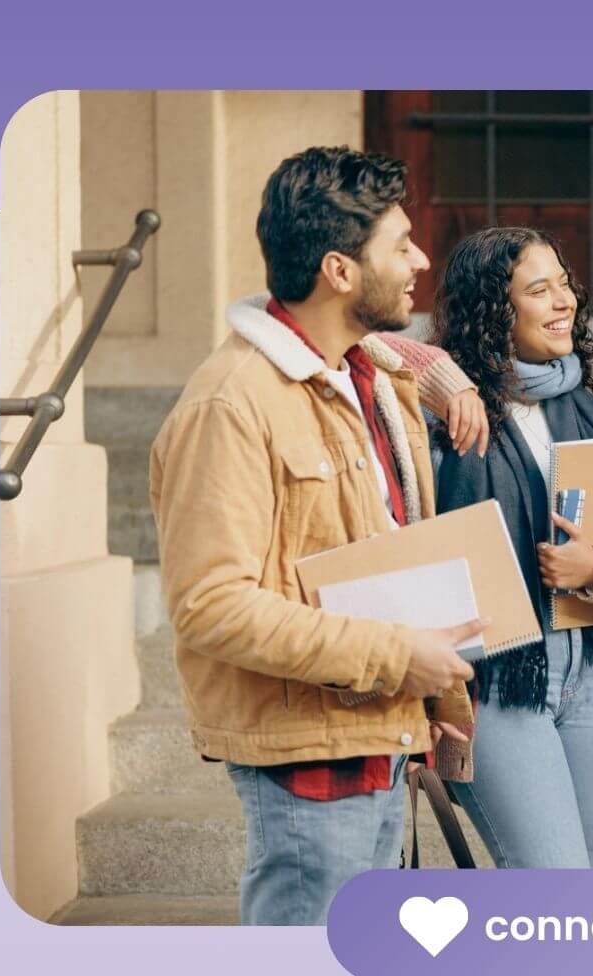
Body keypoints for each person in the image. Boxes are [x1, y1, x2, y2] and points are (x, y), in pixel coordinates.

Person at [148, 146, 493, 925]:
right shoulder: (230, 406)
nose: (421, 259)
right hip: (308, 754)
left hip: (378, 727)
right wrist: (398, 654)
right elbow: (211, 605)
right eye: (400, 244)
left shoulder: (369, 374)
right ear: (340, 270)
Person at [425, 226, 593, 868]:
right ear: (493, 308)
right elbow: (364, 348)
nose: (564, 301)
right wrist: (434, 371)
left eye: (564, 284)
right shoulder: (438, 419)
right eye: (539, 290)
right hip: (496, 679)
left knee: (575, 884)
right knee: (554, 877)